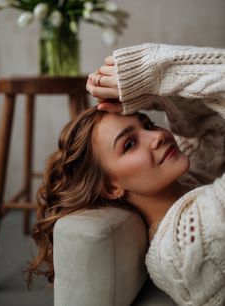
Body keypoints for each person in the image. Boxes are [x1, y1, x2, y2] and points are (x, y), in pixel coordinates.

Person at [26, 43, 225, 306]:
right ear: (110, 188)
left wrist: (154, 93)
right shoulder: (185, 243)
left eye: (147, 124)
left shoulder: (189, 182)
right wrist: (153, 72)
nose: (157, 137)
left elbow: (205, 126)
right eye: (129, 144)